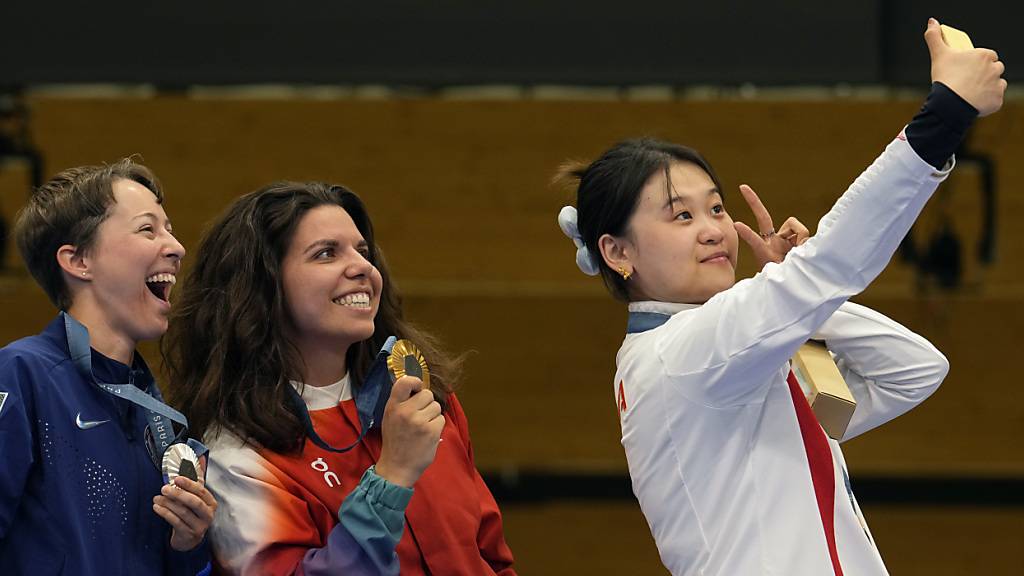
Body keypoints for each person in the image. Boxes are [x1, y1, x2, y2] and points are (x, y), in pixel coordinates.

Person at [555, 19, 1006, 575]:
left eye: (717, 208)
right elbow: (832, 265)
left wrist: (802, 301)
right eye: (681, 216)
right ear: (617, 252)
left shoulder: (739, 360)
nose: (713, 229)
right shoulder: (683, 354)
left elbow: (913, 370)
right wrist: (946, 115)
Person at [162, 181, 515, 575]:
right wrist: (392, 476)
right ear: (264, 287)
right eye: (326, 253)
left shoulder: (420, 397)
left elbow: (492, 557)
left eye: (363, 252)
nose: (363, 267)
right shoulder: (239, 457)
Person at [0, 159, 217, 575]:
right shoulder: (22, 375)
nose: (176, 246)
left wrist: (188, 543)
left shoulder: (158, 417)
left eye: (169, 228)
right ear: (78, 260)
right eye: (147, 229)